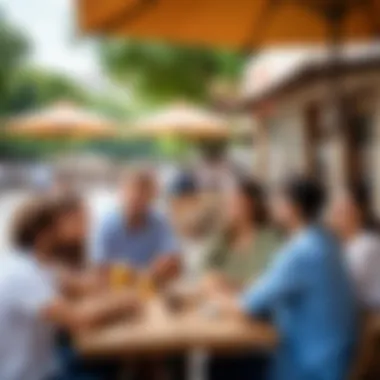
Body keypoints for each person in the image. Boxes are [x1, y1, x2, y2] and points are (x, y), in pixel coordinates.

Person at [213, 176, 358, 380]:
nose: (272, 205)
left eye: (278, 200)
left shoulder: (301, 251)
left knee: (222, 364)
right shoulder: (325, 240)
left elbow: (247, 305)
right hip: (335, 356)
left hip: (311, 366)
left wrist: (215, 302)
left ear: (293, 208)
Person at [0, 196, 139, 380]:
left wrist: (121, 281)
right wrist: (125, 302)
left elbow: (82, 285)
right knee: (113, 365)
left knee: (114, 362)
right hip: (33, 375)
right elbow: (78, 318)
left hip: (48, 364)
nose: (68, 232)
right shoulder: (22, 273)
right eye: (60, 227)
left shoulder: (37, 264)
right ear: (44, 234)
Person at [92, 167, 181, 284]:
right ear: (122, 192)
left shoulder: (159, 222)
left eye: (144, 194)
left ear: (152, 197)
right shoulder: (107, 225)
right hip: (116, 289)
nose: (138, 198)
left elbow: (173, 259)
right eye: (133, 192)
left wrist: (163, 265)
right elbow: (99, 269)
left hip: (150, 285)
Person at [202, 177, 281, 292]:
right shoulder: (224, 237)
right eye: (228, 202)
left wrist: (228, 283)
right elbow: (204, 270)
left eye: (236, 201)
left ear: (252, 204)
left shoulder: (270, 239)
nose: (230, 206)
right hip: (221, 301)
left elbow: (265, 282)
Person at [328, 182, 380, 309]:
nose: (333, 218)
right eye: (334, 211)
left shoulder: (366, 245)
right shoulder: (345, 244)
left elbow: (344, 287)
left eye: (340, 212)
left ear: (357, 213)